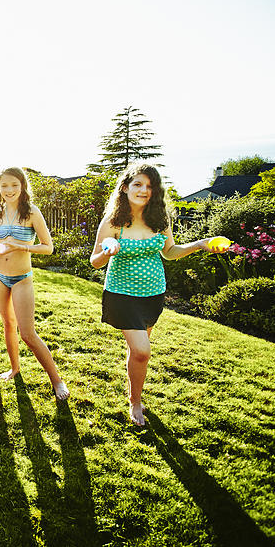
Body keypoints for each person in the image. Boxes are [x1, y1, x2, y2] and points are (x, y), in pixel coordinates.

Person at [90, 163, 226, 426]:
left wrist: (200, 244)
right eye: (138, 184)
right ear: (126, 187)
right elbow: (94, 261)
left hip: (153, 295)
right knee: (142, 351)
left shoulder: (159, 220)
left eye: (149, 186)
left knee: (137, 350)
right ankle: (135, 403)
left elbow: (170, 252)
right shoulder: (113, 221)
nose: (143, 190)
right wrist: (107, 253)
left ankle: (133, 392)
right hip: (122, 294)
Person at [0, 167, 69, 399]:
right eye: (4, 185)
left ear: (22, 186)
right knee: (7, 323)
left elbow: (48, 247)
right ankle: (14, 368)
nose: (9, 190)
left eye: (14, 185)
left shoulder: (32, 212)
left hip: (22, 278)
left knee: (28, 333)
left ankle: (57, 380)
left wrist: (20, 246)